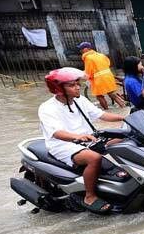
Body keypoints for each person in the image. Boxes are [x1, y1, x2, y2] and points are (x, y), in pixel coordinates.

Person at [39, 67, 126, 213]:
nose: (78, 87)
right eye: (72, 85)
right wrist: (77, 137)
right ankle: (89, 196)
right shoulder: (47, 108)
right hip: (63, 145)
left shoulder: (81, 100)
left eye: (77, 83)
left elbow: (102, 115)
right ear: (59, 88)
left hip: (89, 139)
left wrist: (125, 118)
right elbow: (56, 133)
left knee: (123, 139)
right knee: (94, 158)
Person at [78, 42, 126, 110]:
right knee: (112, 94)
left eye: (82, 48)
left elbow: (88, 72)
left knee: (99, 96)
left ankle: (106, 111)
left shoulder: (88, 58)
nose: (80, 50)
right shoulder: (101, 55)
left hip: (99, 79)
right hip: (108, 76)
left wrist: (84, 76)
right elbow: (108, 63)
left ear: (87, 49)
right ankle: (123, 106)